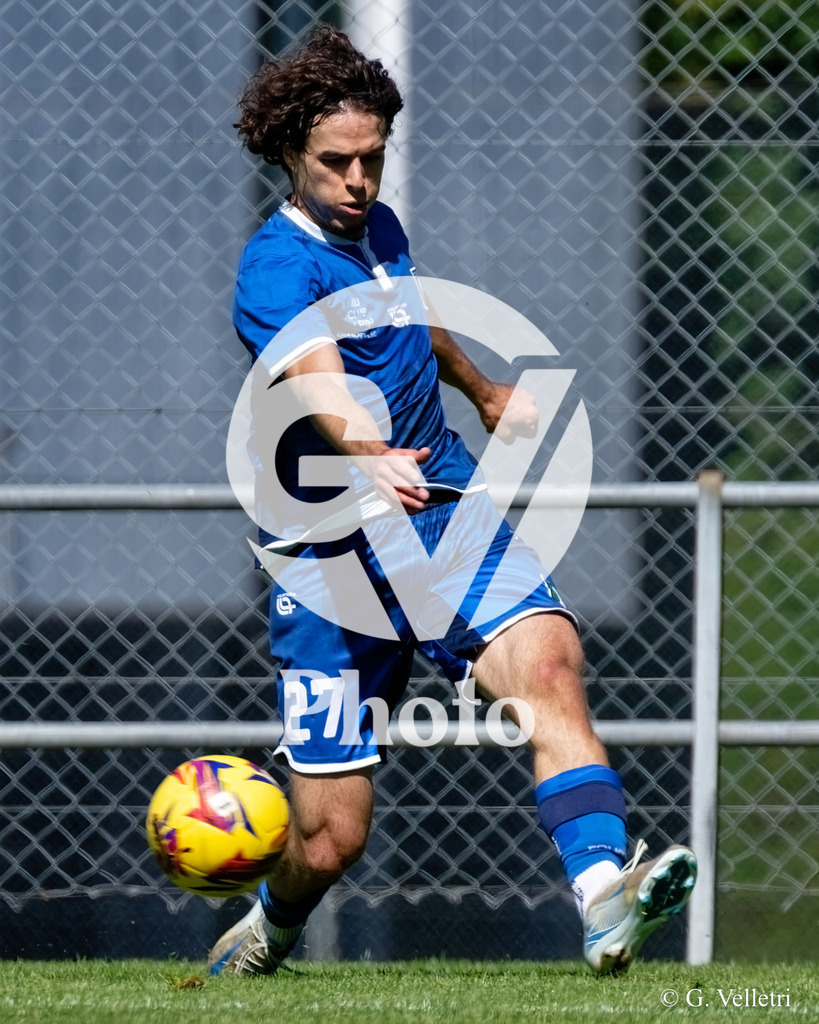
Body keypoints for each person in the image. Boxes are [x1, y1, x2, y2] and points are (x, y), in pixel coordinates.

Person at [209, 24, 696, 977]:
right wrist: (360, 447)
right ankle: (270, 926)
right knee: (330, 842)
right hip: (329, 557)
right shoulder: (276, 269)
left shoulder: (377, 229)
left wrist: (478, 390)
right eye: (335, 163)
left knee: (549, 661)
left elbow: (412, 316)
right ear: (286, 153)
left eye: (372, 159)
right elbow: (315, 378)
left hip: (438, 507)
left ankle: (602, 896)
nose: (358, 180)